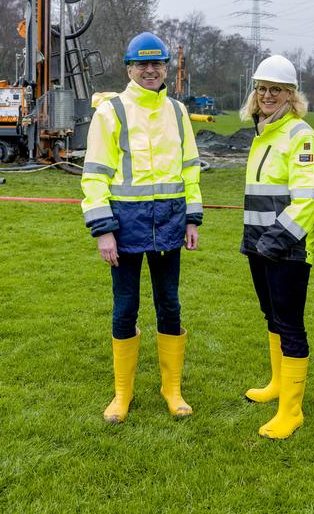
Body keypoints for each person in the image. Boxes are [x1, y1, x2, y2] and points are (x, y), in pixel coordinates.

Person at [81, 32, 203, 424]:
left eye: (157, 64)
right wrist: (103, 230)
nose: (150, 71)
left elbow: (190, 169)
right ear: (129, 68)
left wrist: (192, 218)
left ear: (166, 67)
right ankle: (123, 393)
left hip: (169, 225)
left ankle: (172, 389)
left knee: (170, 304)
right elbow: (95, 174)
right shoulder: (111, 111)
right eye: (142, 65)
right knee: (125, 307)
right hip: (125, 228)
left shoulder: (178, 111)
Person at [240, 55, 314, 439]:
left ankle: (291, 412)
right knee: (271, 317)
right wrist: (256, 241)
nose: (268, 95)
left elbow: (309, 196)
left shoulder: (300, 134)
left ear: (291, 95)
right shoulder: (261, 134)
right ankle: (277, 384)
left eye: (277, 90)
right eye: (262, 89)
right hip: (258, 246)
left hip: (286, 250)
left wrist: (279, 238)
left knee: (290, 325)